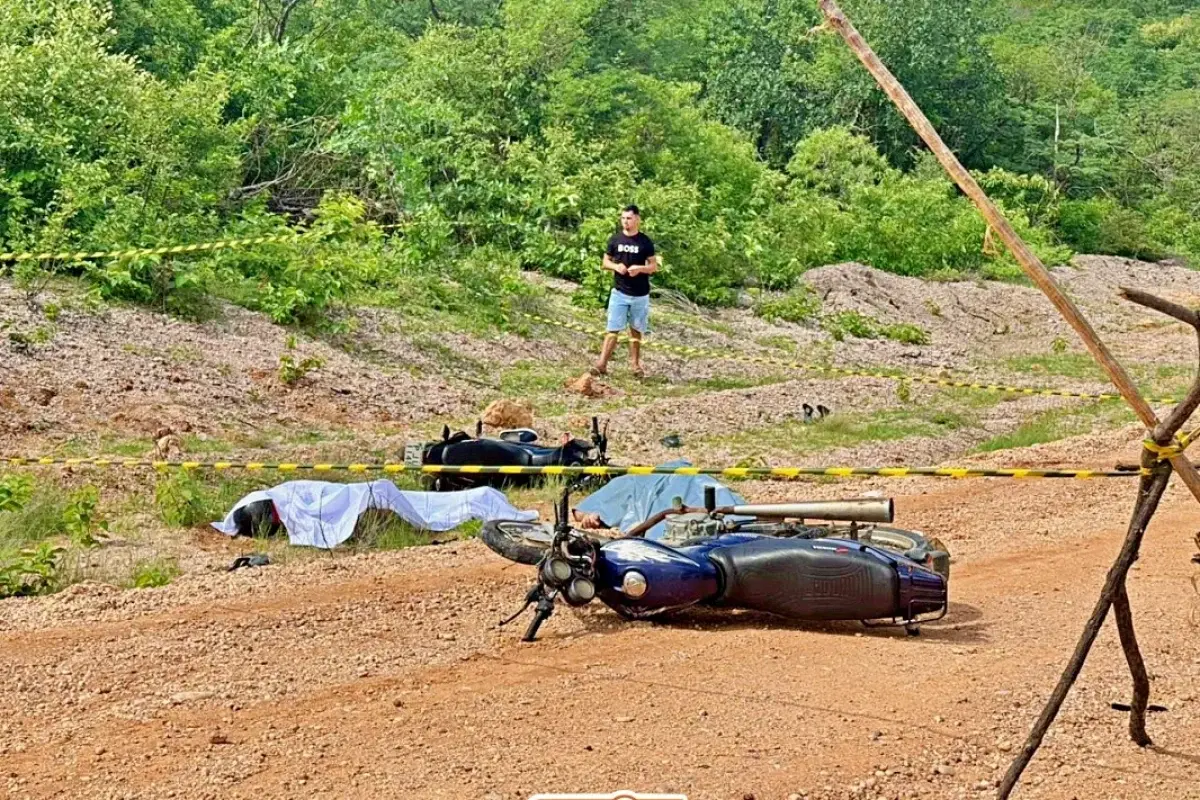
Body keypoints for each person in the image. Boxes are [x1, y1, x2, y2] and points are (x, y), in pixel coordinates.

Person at [591, 205, 658, 378]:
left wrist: (640, 269)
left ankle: (635, 366)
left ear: (637, 219)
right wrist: (616, 266)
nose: (625, 222)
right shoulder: (615, 240)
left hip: (640, 294)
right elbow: (605, 262)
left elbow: (653, 266)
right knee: (613, 328)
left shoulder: (645, 242)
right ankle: (602, 364)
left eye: (628, 218)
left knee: (636, 329)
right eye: (623, 218)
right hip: (619, 292)